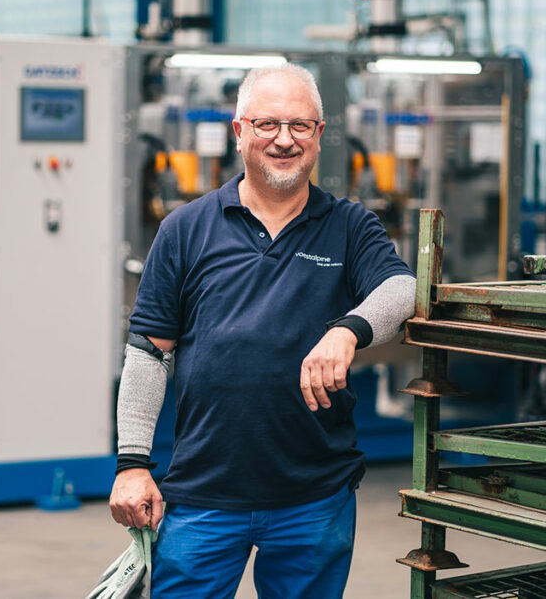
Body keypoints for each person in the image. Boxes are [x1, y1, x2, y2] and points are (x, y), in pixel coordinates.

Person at [109, 63, 416, 598]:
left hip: (313, 495)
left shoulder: (350, 226)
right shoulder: (186, 229)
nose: (284, 140)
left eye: (300, 126)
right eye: (267, 124)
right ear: (239, 131)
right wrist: (133, 463)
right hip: (204, 493)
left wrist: (348, 331)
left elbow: (403, 290)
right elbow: (147, 353)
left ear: (319, 136)